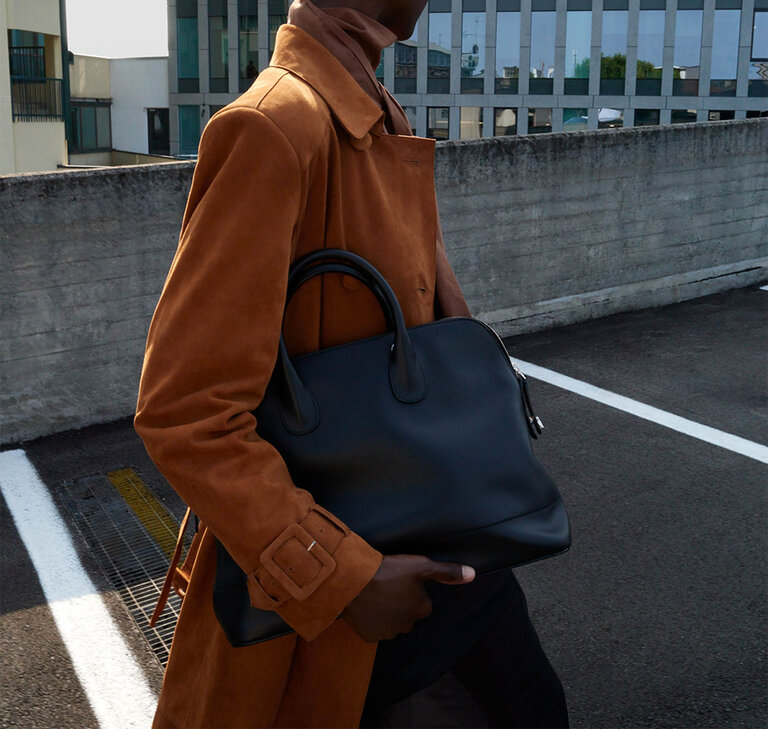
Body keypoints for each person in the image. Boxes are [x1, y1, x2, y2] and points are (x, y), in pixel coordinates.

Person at [134, 1, 569, 726]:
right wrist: (340, 577)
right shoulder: (274, 126)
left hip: (438, 532)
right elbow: (186, 410)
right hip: (350, 589)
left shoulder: (373, 111)